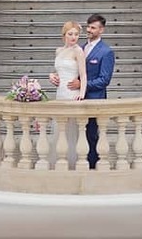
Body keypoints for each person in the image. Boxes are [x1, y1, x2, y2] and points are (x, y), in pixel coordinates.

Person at [50, 14, 114, 169]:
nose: (89, 30)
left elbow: (104, 80)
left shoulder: (106, 52)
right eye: (88, 27)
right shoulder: (80, 47)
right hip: (70, 94)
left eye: (93, 27)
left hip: (93, 98)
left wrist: (82, 85)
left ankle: (91, 167)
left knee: (90, 135)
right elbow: (71, 70)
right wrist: (54, 76)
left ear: (101, 30)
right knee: (70, 134)